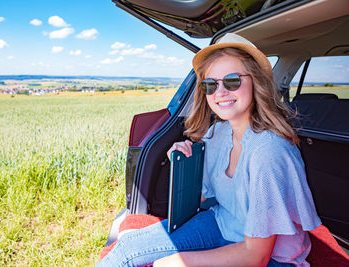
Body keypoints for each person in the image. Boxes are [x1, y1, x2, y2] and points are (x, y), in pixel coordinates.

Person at [96, 33, 321, 267]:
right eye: (210, 84)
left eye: (232, 81)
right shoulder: (217, 134)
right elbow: (201, 198)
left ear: (256, 83)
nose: (220, 92)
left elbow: (256, 257)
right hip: (223, 224)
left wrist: (180, 261)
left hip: (274, 258)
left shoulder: (268, 152)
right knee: (128, 249)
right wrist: (183, 165)